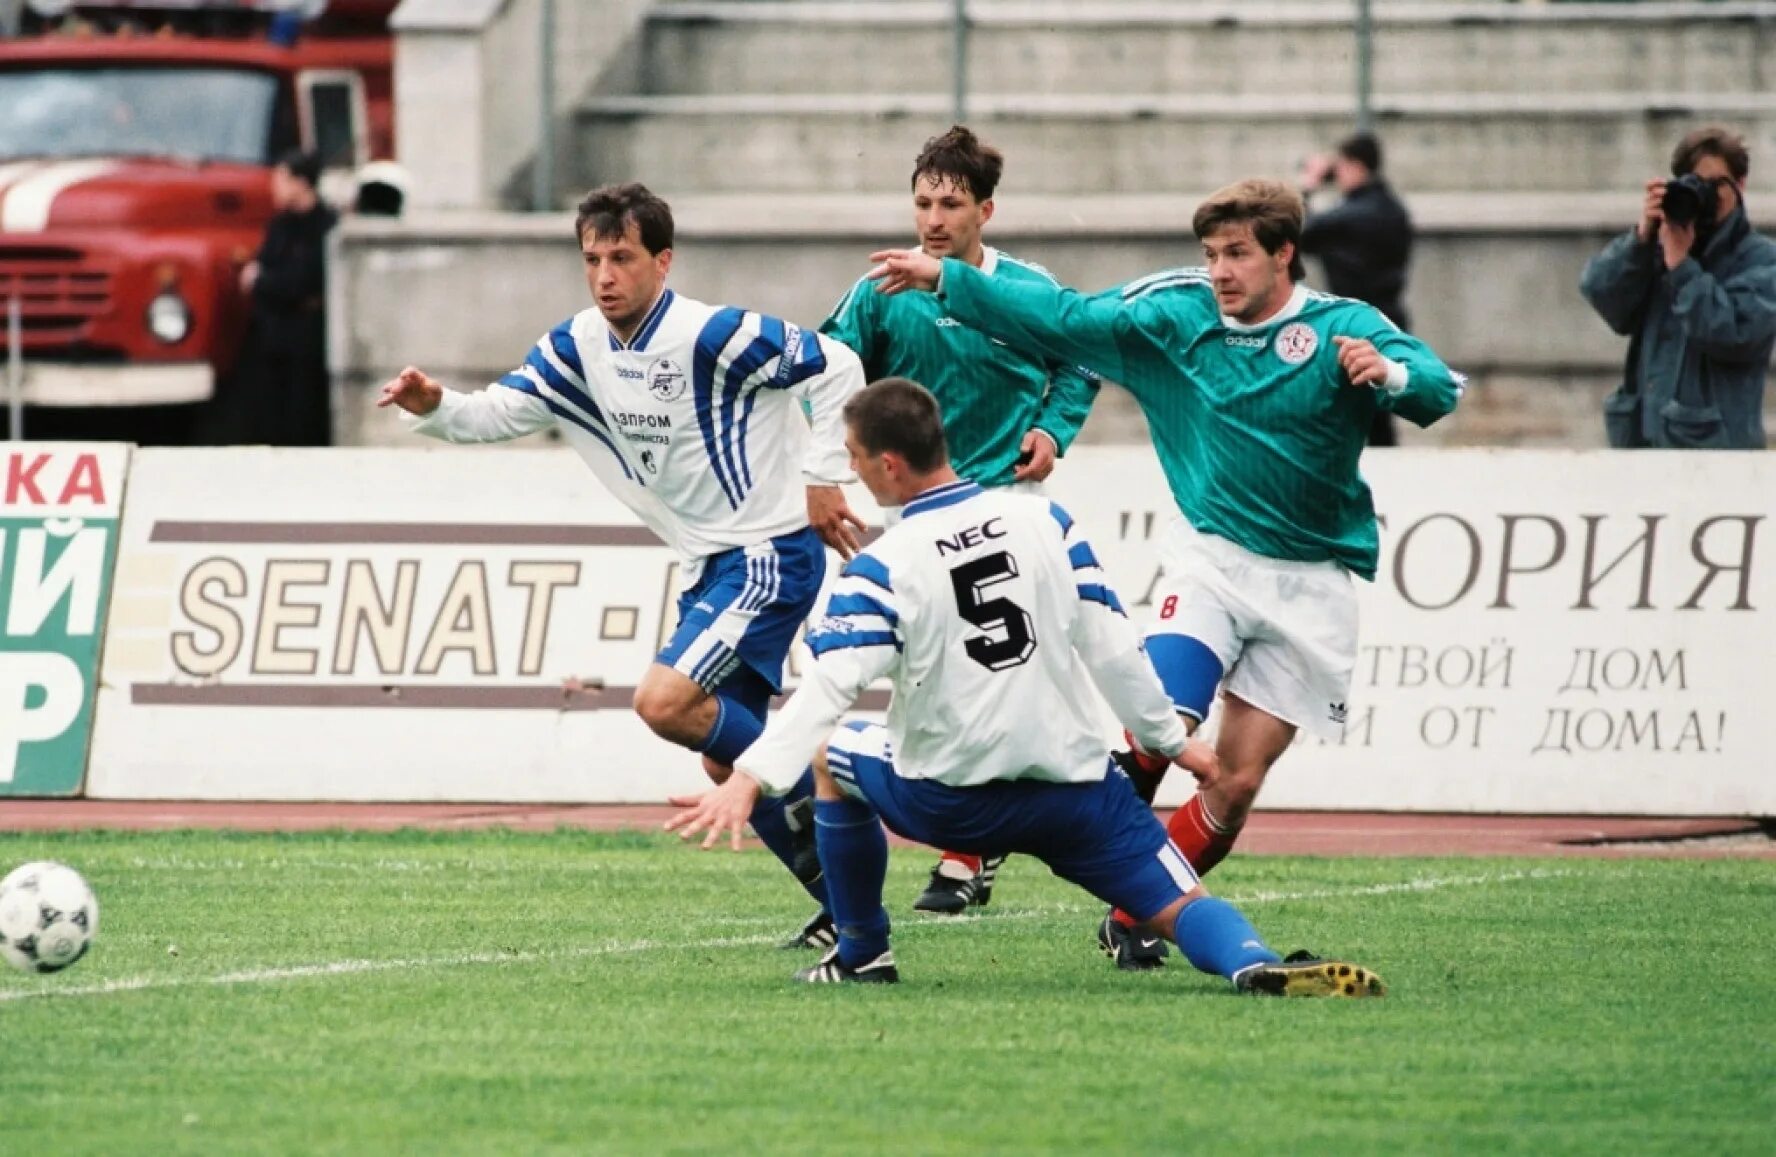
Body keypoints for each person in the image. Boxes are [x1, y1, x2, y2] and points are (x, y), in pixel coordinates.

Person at [865, 179, 1462, 971]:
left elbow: (1440, 390)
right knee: (1171, 723)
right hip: (1209, 559)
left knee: (1237, 783)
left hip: (1312, 583)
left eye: (1238, 254)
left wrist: (1386, 375)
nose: (1219, 270)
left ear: (1285, 254)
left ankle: (1130, 910)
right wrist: (953, 280)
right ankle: (1070, 836)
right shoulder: (1173, 312)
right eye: (1211, 253)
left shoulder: (1342, 327)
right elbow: (1066, 320)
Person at [665, 378, 1384, 998]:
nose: (851, 474)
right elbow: (1113, 646)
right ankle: (1251, 961)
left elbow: (828, 687)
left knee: (832, 758)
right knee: (1183, 902)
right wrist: (1174, 741)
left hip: (952, 802)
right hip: (1075, 793)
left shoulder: (882, 567)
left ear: (887, 465)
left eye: (852, 461)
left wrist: (751, 777)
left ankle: (861, 953)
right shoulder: (1046, 520)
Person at [378, 182, 869, 946]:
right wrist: (435, 405)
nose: (606, 275)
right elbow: (498, 412)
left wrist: (822, 472)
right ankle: (843, 903)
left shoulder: (715, 334)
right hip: (712, 565)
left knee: (664, 701)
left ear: (662, 262)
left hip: (769, 552)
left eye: (623, 257)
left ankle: (840, 811)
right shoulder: (578, 347)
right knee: (716, 755)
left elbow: (837, 364)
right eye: (592, 259)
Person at [820, 124, 1100, 917]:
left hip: (1007, 506)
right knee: (926, 670)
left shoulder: (1025, 290)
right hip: (914, 518)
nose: (933, 219)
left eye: (950, 204)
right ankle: (894, 854)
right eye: (922, 203)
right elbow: (832, 365)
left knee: (995, 673)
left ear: (987, 210)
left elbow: (1079, 361)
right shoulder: (880, 290)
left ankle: (967, 851)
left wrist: (1053, 431)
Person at [1580, 124, 1776, 450]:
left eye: (1717, 186)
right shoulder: (1655, 249)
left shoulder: (1762, 261)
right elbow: (1602, 294)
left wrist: (1682, 267)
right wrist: (1640, 240)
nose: (1706, 197)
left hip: (1718, 459)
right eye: (1697, 185)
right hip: (1642, 447)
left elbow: (1733, 333)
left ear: (1740, 185)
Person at [205, 149, 338, 446]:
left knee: (304, 417)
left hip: (307, 339)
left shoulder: (326, 227)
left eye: (282, 180)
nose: (274, 188)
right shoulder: (279, 225)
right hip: (272, 335)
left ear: (301, 183)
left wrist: (265, 281)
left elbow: (303, 280)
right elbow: (261, 270)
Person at [1298, 132, 1415, 447]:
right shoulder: (1392, 208)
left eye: (1342, 166)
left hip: (1359, 324)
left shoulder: (1355, 213)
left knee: (1360, 413)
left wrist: (1309, 185)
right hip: (1389, 317)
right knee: (1376, 415)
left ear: (1356, 165)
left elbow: (1302, 234)